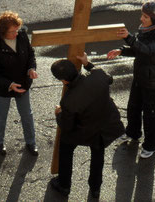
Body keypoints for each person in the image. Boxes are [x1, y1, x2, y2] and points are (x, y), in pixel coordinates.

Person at [49, 53, 125, 199]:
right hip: (105, 124)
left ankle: (64, 185)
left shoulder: (68, 101)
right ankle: (95, 188)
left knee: (65, 145)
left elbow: (67, 125)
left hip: (84, 130)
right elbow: (108, 78)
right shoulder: (98, 76)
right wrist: (87, 63)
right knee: (98, 154)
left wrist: (58, 113)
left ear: (64, 81)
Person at [107, 1, 155, 159]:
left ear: (154, 19)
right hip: (141, 76)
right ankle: (133, 133)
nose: (141, 18)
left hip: (154, 80)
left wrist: (128, 38)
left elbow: (148, 50)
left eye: (145, 16)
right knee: (134, 106)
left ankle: (151, 146)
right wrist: (121, 51)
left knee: (151, 113)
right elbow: (139, 50)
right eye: (142, 15)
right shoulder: (147, 28)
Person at [0, 11, 39, 156]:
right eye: (12, 31)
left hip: (22, 84)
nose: (16, 33)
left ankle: (31, 142)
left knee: (27, 114)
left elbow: (30, 55)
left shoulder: (22, 36)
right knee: (1, 115)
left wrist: (31, 69)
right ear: (2, 32)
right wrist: (9, 85)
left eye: (17, 29)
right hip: (3, 88)